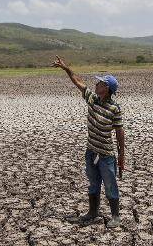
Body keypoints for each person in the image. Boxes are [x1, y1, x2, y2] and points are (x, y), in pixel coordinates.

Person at [51, 55, 125, 228]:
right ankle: (92, 213)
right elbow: (77, 81)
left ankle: (115, 216)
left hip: (106, 155)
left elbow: (120, 132)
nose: (96, 84)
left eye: (100, 83)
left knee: (110, 185)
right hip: (91, 152)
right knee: (93, 184)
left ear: (106, 88)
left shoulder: (114, 108)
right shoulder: (92, 98)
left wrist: (122, 155)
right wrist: (66, 68)